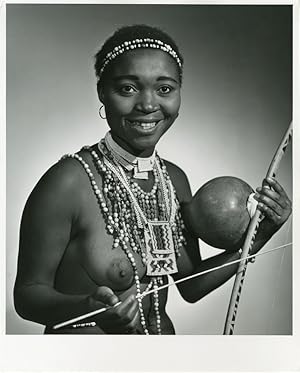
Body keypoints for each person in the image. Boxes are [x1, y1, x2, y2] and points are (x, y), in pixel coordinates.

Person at [14, 24, 292, 335]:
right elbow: (27, 296)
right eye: (128, 89)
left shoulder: (174, 180)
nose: (148, 105)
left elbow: (191, 285)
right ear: (102, 93)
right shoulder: (68, 182)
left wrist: (260, 235)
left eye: (164, 89)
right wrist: (85, 308)